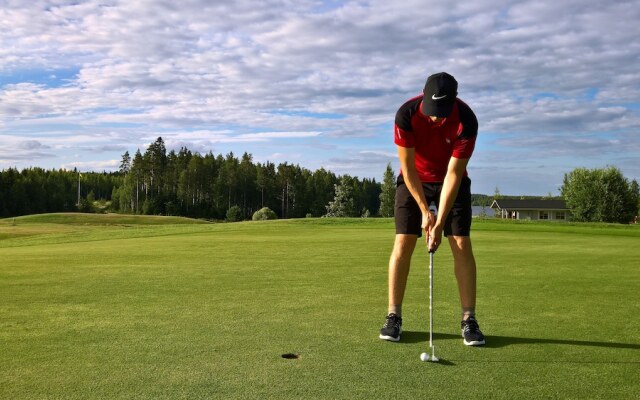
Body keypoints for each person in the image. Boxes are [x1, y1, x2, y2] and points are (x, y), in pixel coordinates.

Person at [379, 72, 485, 346]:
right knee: (403, 242)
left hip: (452, 180)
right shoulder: (406, 114)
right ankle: (393, 316)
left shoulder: (467, 121)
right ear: (423, 96)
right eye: (432, 111)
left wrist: (439, 224)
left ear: (454, 101)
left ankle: (468, 318)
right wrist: (426, 212)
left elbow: (453, 174)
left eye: (441, 112)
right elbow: (408, 168)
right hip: (415, 178)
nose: (436, 117)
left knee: (461, 242)